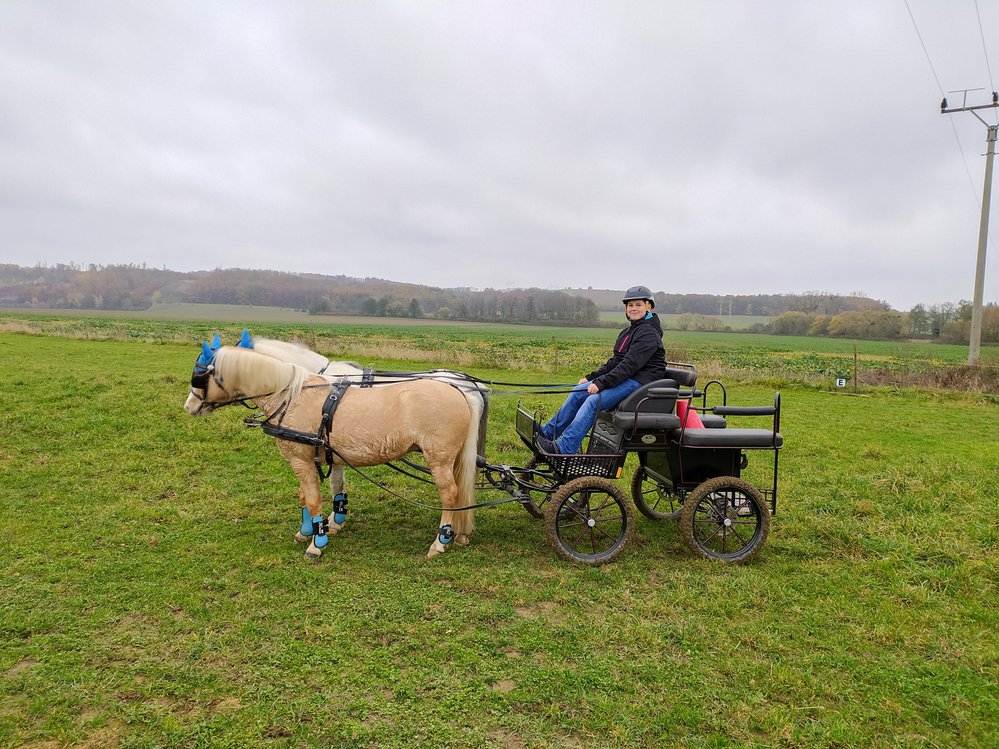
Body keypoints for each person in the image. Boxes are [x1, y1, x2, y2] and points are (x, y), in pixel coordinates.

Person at [535, 285, 667, 455]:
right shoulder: (629, 331)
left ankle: (565, 447)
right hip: (629, 375)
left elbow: (629, 366)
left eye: (638, 305)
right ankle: (548, 433)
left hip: (640, 381)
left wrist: (600, 383)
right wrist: (592, 377)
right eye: (630, 305)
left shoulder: (648, 333)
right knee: (578, 391)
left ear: (649, 306)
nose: (634, 309)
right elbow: (616, 361)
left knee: (593, 401)